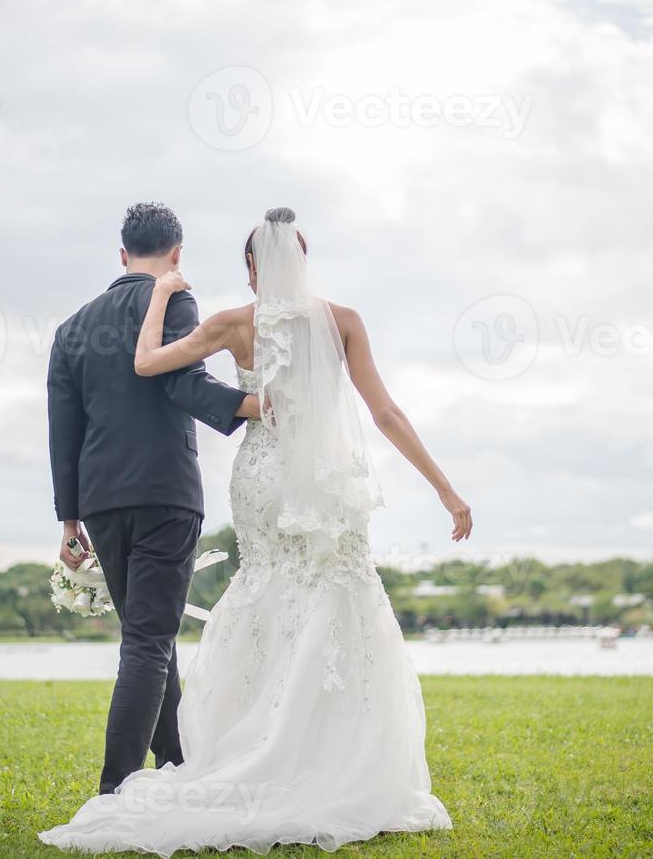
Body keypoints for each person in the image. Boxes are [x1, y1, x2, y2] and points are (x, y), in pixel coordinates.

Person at [40, 207, 472, 854]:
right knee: (333, 599)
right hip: (322, 482)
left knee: (254, 601)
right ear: (303, 261)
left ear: (250, 268)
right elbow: (384, 413)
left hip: (253, 481)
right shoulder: (344, 321)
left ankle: (218, 755)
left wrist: (160, 295)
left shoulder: (222, 323)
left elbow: (145, 365)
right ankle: (317, 759)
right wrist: (445, 488)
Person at [46, 202, 261, 796]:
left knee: (149, 634)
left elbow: (62, 431)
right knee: (148, 639)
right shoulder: (173, 298)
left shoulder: (71, 329)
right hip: (165, 494)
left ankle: (175, 766)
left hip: (101, 503)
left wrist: (69, 519)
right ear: (176, 254)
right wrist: (255, 406)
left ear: (121, 255)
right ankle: (114, 791)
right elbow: (181, 379)